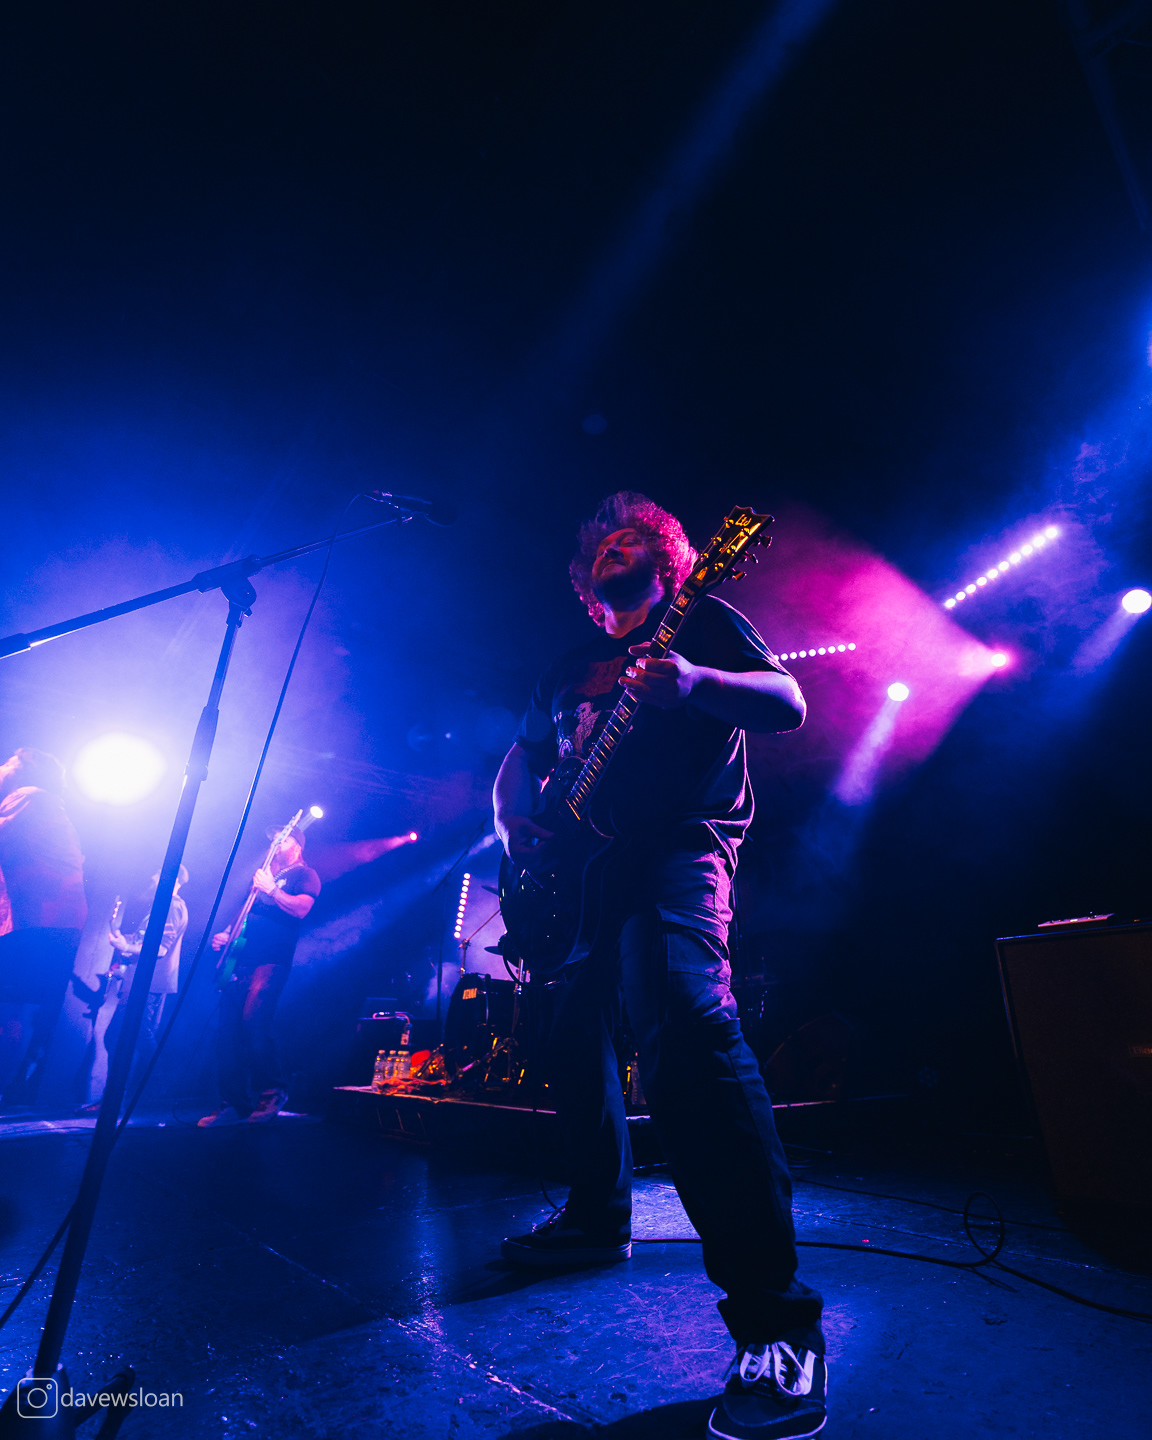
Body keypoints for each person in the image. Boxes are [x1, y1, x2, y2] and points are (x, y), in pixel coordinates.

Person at [493, 493, 826, 1440]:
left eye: (636, 534)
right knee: (569, 1041)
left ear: (673, 558)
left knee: (684, 1028)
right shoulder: (568, 667)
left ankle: (777, 1327)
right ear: (584, 583)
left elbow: (788, 703)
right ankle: (596, 1219)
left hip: (676, 851)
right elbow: (519, 761)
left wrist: (695, 682)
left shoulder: (701, 617)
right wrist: (511, 824)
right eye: (603, 540)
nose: (618, 542)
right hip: (578, 875)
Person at [198, 826, 320, 1127]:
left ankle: (273, 1091)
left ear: (297, 846)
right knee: (226, 1031)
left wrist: (273, 890)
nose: (277, 843)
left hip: (271, 960)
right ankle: (234, 1102)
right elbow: (245, 912)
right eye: (275, 838)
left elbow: (302, 909)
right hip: (241, 960)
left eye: (284, 838)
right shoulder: (264, 875)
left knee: (254, 1022)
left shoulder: (305, 875)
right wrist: (227, 934)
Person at [0, 748, 88, 1108]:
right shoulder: (40, 804)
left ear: (26, 772)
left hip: (41, 924)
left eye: (9, 762)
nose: (2, 766)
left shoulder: (30, 797)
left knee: (10, 1008)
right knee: (13, 1009)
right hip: (45, 924)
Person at [77, 866, 189, 1112]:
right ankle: (115, 1100)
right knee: (118, 1038)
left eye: (158, 873)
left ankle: (154, 1094)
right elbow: (146, 942)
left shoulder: (171, 907)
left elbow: (160, 949)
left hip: (148, 984)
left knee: (135, 1037)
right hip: (141, 982)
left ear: (173, 879)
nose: (153, 877)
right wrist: (126, 941)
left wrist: (125, 947)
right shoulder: (163, 907)